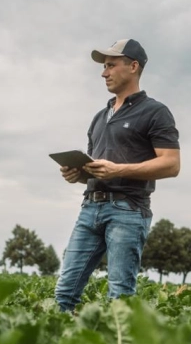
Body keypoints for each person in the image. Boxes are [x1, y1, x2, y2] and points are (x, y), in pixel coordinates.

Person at [55, 39, 180, 312]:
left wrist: (119, 169)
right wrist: (76, 173)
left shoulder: (155, 112)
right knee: (64, 292)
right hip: (90, 209)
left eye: (111, 65)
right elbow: (93, 169)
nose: (104, 73)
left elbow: (171, 165)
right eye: (104, 67)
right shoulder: (100, 117)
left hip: (128, 210)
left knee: (120, 297)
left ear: (133, 66)